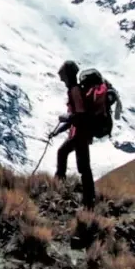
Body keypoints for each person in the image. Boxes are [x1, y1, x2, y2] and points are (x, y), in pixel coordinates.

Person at [49, 60, 96, 209]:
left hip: (80, 135)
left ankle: (88, 202)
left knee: (82, 167)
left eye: (63, 75)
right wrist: (57, 131)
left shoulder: (75, 91)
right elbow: (75, 117)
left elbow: (79, 116)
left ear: (68, 75)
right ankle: (87, 199)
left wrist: (65, 118)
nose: (61, 79)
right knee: (68, 156)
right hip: (80, 134)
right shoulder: (75, 90)